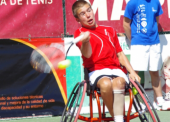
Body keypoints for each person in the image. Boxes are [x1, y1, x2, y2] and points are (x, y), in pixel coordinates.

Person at [72, 0, 140, 122]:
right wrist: (86, 41)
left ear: (93, 11)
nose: (88, 15)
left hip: (116, 69)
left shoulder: (110, 30)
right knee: (106, 84)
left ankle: (118, 119)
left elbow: (120, 54)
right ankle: (117, 117)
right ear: (78, 19)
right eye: (82, 14)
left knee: (119, 82)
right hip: (96, 71)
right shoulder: (79, 34)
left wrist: (133, 72)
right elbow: (87, 54)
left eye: (89, 10)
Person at [123, 0, 170, 110]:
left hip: (154, 43)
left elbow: (156, 21)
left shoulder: (156, 2)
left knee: (154, 71)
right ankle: (132, 101)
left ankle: (159, 100)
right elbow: (126, 24)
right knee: (135, 73)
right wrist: (134, 39)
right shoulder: (132, 3)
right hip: (138, 44)